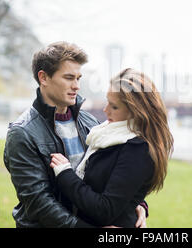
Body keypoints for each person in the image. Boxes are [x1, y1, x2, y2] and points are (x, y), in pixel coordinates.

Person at [3, 42, 148, 228]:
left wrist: (138, 204)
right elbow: (38, 203)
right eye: (69, 78)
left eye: (79, 78)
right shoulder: (22, 133)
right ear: (44, 78)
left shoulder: (92, 124)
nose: (76, 86)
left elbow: (117, 178)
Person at [50, 68, 174, 228]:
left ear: (136, 112)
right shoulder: (107, 133)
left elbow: (105, 209)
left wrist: (65, 173)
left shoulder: (138, 149)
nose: (105, 110)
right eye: (107, 101)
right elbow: (120, 189)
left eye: (114, 107)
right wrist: (138, 204)